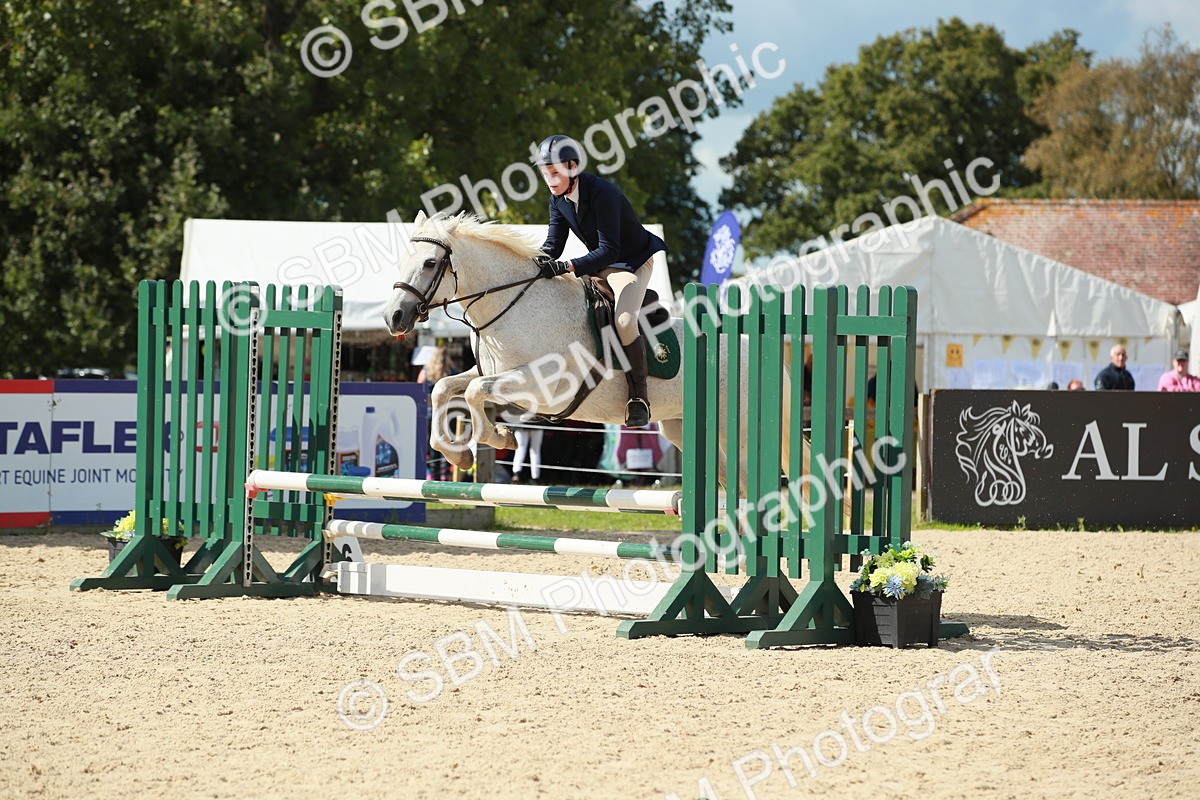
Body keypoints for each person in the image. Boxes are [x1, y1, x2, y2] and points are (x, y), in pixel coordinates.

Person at [534, 134, 667, 428]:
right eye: (546, 173)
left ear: (572, 166)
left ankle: (639, 398)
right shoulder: (558, 200)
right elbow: (553, 245)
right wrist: (532, 263)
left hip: (630, 263)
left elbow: (610, 250)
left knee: (623, 321)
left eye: (555, 172)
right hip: (599, 265)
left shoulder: (602, 192)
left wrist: (568, 265)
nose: (550, 180)